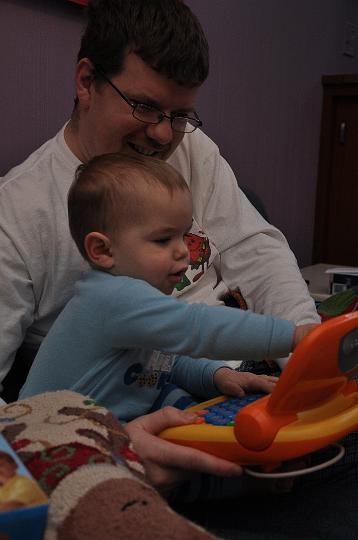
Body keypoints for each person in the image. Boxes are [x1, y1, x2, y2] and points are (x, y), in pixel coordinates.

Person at [0, 0, 320, 488]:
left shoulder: (191, 147)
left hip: (219, 376)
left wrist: (309, 357)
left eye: (181, 113)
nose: (164, 134)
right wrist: (103, 446)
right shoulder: (18, 212)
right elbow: (184, 327)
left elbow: (256, 248)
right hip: (129, 418)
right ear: (86, 82)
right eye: (145, 106)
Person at [20, 153, 315, 423]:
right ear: (102, 250)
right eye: (163, 240)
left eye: (184, 235)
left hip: (117, 421)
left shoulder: (135, 303)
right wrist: (292, 335)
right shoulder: (113, 298)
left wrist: (217, 375)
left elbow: (162, 360)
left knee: (196, 412)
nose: (183, 252)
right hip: (52, 439)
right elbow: (197, 328)